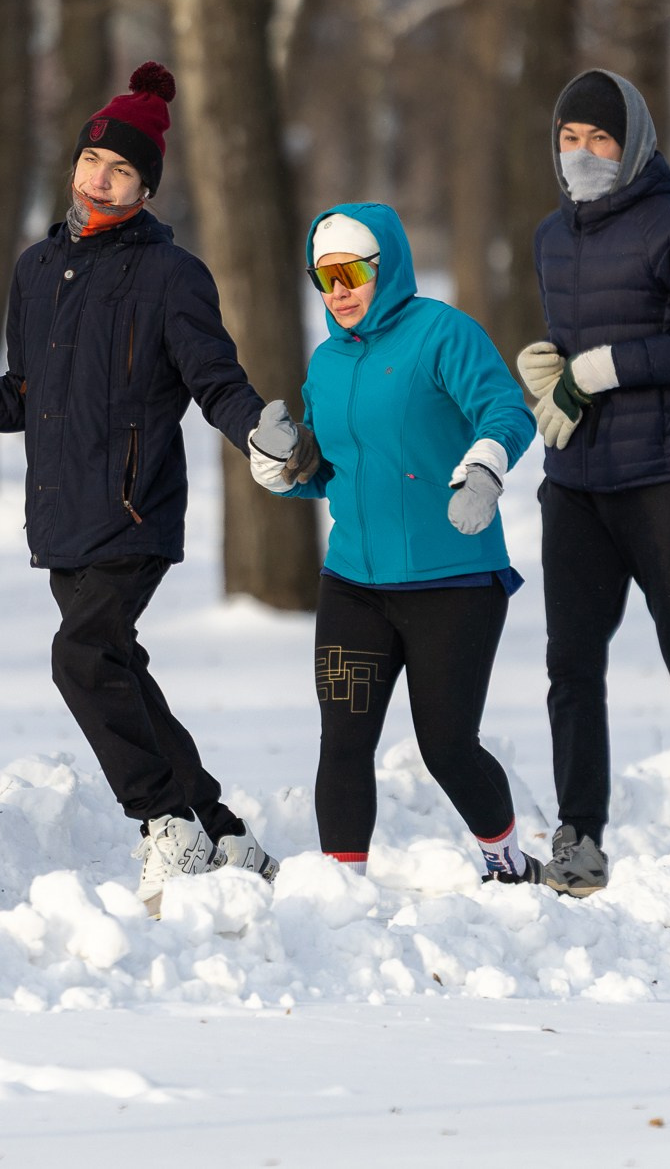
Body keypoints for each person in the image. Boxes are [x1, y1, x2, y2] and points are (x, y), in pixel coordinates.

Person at [0, 63, 279, 911]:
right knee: (117, 664)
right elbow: (20, 396)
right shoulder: (37, 270)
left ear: (146, 188)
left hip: (132, 508)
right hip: (60, 515)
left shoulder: (172, 275)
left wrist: (257, 428)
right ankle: (223, 829)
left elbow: (214, 378)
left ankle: (165, 823)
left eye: (121, 170)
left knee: (80, 658)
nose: (101, 178)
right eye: (93, 161)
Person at [514, 69, 670, 893]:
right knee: (570, 662)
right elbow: (573, 340)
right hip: (576, 481)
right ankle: (578, 835)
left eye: (599, 140)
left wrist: (614, 365)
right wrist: (551, 368)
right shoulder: (552, 236)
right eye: (569, 140)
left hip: (665, 480)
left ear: (633, 146)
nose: (581, 154)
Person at [249, 203, 544, 885]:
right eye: (325, 277)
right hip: (354, 583)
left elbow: (506, 409)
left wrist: (485, 466)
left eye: (353, 271)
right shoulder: (325, 362)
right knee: (344, 742)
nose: (340, 290)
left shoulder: (442, 333)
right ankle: (339, 890)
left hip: (455, 582)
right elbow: (329, 473)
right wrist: (284, 468)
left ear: (387, 265)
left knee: (446, 745)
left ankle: (507, 863)